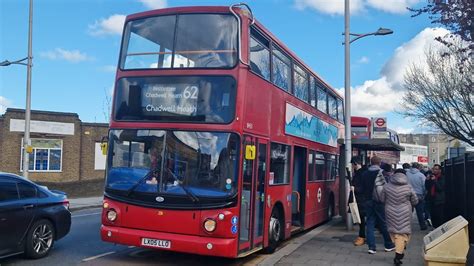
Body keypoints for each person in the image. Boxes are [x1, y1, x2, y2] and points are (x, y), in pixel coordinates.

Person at [381, 168, 419, 266]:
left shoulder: (386, 186)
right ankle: (398, 255)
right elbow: (415, 201)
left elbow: (382, 199)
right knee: (403, 233)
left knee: (395, 233)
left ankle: (400, 250)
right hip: (405, 211)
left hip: (390, 211)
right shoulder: (408, 187)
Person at [361, 156, 395, 254]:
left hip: (368, 201)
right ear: (379, 163)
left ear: (371, 163)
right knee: (383, 222)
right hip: (380, 201)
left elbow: (362, 188)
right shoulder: (382, 174)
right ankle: (388, 245)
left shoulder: (365, 174)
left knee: (370, 223)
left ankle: (371, 247)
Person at [351, 156, 367, 246]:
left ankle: (362, 237)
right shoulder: (359, 172)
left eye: (353, 165)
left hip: (362, 199)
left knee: (361, 219)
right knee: (360, 219)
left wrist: (354, 188)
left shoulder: (362, 173)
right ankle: (362, 236)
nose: (352, 166)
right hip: (360, 199)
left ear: (356, 164)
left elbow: (363, 188)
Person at [406, 162, 427, 230]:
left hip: (408, 194)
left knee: (408, 211)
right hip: (419, 195)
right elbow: (424, 186)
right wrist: (424, 193)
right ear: (418, 167)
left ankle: (407, 226)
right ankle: (422, 225)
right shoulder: (421, 175)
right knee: (419, 211)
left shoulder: (407, 174)